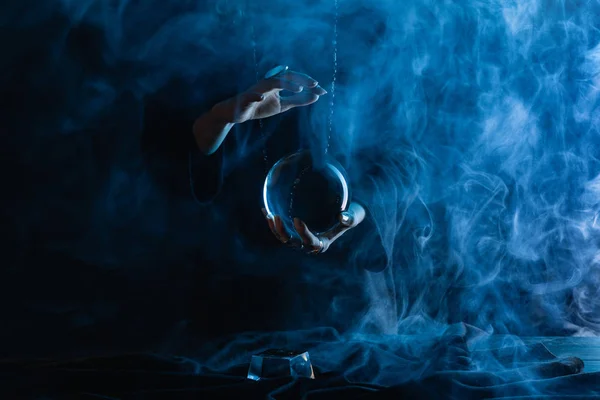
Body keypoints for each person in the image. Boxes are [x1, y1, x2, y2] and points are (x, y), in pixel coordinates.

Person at [189, 66, 366, 255]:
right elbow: (173, 148)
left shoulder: (373, 46)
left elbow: (395, 161)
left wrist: (353, 215)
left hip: (339, 262)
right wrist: (220, 119)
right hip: (228, 243)